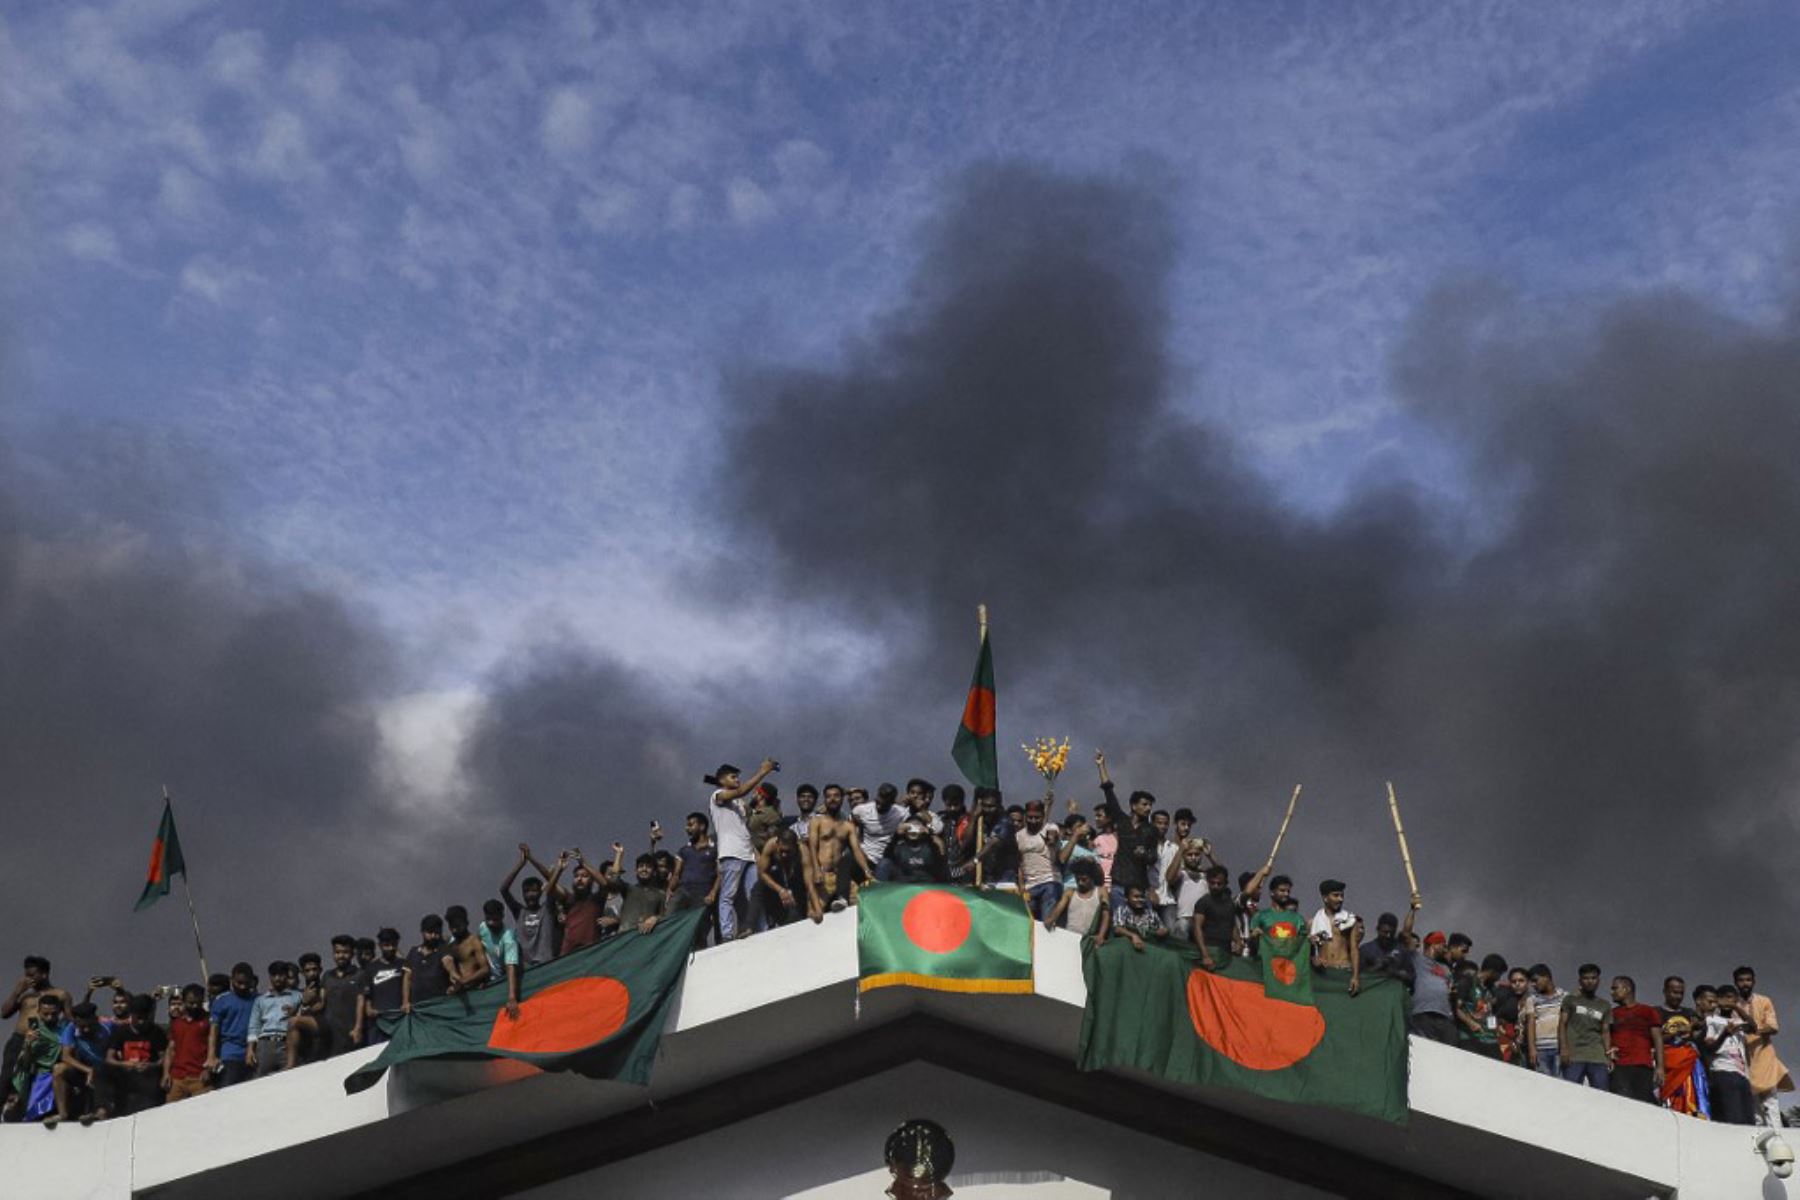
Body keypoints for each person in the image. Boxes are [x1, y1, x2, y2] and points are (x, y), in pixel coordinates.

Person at [709, 759, 780, 941]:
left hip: (748, 855)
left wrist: (757, 856)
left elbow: (745, 832)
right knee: (728, 896)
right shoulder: (717, 796)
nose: (737, 780)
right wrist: (763, 771)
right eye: (733, 777)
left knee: (754, 895)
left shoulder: (739, 805)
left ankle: (762, 930)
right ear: (722, 780)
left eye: (738, 778)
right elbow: (742, 790)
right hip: (731, 854)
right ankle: (727, 934)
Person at [2, 957, 70, 1120]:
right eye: (26, 975)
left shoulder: (60, 994)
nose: (28, 979)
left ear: (44, 974)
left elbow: (69, 1019)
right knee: (7, 1077)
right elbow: (4, 1013)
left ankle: (30, 1112)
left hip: (45, 1042)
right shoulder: (26, 997)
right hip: (20, 1039)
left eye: (32, 975)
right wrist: (17, 991)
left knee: (36, 1078)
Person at [1095, 751, 1159, 909]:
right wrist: (1101, 766)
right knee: (1118, 920)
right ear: (1133, 806)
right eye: (1144, 804)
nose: (1148, 808)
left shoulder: (1151, 830)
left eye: (1150, 805)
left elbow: (1153, 857)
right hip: (1119, 882)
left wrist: (1144, 853)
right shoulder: (1122, 822)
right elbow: (1108, 792)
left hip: (1139, 886)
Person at [1733, 966, 1793, 1127]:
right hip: (1743, 1060)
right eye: (1741, 980)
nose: (1745, 984)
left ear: (1754, 982)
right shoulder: (1733, 1006)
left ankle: (1778, 1139)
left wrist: (1755, 1029)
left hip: (1764, 1057)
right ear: (1735, 983)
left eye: (1748, 980)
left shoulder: (1764, 1001)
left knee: (1771, 1103)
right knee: (1754, 1109)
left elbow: (1773, 1027)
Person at [808, 785, 874, 916]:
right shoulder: (817, 821)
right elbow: (812, 847)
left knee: (857, 909)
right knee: (815, 915)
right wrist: (815, 870)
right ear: (825, 800)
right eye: (829, 796)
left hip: (840, 876)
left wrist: (867, 871)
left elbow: (856, 850)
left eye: (836, 796)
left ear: (842, 799)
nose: (832, 799)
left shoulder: (848, 826)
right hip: (822, 874)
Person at [501, 845, 565, 967]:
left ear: (540, 892)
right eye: (527, 891)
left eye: (534, 891)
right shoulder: (519, 912)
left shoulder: (547, 909)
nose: (530, 895)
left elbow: (551, 887)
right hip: (527, 968)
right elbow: (504, 890)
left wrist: (531, 859)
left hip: (547, 963)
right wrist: (521, 864)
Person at [1702, 984, 1757, 1125]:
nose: (1726, 1001)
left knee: (1748, 1121)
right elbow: (1710, 1048)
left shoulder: (1738, 1022)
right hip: (1723, 1071)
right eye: (1723, 998)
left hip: (1742, 1075)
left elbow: (1753, 1027)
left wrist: (1735, 1007)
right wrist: (1725, 1034)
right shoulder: (1711, 1020)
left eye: (1730, 998)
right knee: (1732, 1119)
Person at [103, 994, 167, 1116]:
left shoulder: (157, 1032)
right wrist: (124, 1064)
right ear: (131, 1015)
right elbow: (109, 1059)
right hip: (126, 1079)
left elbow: (164, 1058)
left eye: (145, 1018)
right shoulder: (121, 1032)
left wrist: (151, 1065)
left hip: (149, 1080)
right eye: (138, 1018)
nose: (141, 1022)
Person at [8, 992, 67, 1122]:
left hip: (61, 1075)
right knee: (34, 1114)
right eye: (46, 1014)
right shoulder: (36, 1032)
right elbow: (25, 1062)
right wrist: (27, 1045)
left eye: (54, 1014)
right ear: (39, 1012)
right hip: (41, 1077)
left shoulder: (63, 1029)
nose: (50, 1017)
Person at [47, 1001, 108, 1127]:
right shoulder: (71, 1029)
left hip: (105, 1071)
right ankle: (63, 1114)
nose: (85, 1029)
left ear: (95, 1019)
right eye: (82, 1026)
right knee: (59, 1069)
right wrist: (88, 1070)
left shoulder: (107, 1028)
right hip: (85, 1069)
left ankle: (99, 1112)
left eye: (88, 1026)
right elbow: (66, 1056)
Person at [1558, 963, 1613, 1090]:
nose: (1590, 982)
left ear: (1598, 980)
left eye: (1593, 978)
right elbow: (1562, 1024)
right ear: (1580, 980)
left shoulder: (1605, 1005)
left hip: (1597, 1056)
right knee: (1571, 1092)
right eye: (1586, 978)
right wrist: (1564, 1049)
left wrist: (1608, 1056)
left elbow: (1605, 1031)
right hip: (1574, 1055)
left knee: (1602, 1095)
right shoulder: (1570, 1000)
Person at [670, 812, 721, 945]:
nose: (687, 828)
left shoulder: (715, 849)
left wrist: (713, 893)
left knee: (699, 928)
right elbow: (676, 873)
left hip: (702, 894)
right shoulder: (684, 850)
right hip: (683, 891)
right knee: (669, 918)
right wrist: (670, 889)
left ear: (702, 826)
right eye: (687, 826)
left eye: (691, 825)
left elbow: (720, 873)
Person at [205, 963, 257, 1088]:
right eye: (239, 983)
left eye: (246, 983)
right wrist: (211, 1056)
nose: (243, 987)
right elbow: (214, 1031)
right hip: (230, 1055)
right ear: (232, 980)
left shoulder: (259, 1000)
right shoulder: (222, 1001)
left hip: (253, 1054)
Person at [246, 961, 300, 1079]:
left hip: (287, 1043)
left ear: (286, 976)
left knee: (289, 1079)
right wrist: (250, 1050)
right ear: (270, 977)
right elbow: (254, 1026)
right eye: (274, 975)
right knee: (260, 1081)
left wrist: (295, 1012)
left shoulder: (297, 996)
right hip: (265, 1044)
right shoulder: (260, 1000)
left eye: (281, 975)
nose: (277, 978)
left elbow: (302, 1017)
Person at [1309, 880, 1361, 996]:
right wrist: (1313, 959)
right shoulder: (1313, 923)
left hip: (1343, 971)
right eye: (1336, 895)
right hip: (1323, 975)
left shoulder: (1349, 921)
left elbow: (1354, 950)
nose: (1340, 899)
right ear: (1325, 898)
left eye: (1342, 895)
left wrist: (1355, 977)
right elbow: (1308, 951)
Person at [1013, 801, 1063, 919]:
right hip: (1030, 885)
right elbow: (1019, 864)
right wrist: (1021, 887)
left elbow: (1053, 835)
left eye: (1037, 817)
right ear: (1025, 816)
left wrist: (1051, 840)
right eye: (1030, 817)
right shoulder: (1019, 836)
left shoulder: (1050, 827)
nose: (1033, 821)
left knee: (1047, 919)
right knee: (1027, 919)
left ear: (1043, 816)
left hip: (1050, 881)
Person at [359, 929, 411, 1041]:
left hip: (399, 1019)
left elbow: (408, 985)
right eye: (387, 945)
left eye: (393, 945)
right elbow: (367, 993)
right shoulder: (371, 968)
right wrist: (369, 1009)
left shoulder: (403, 965)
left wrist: (405, 1003)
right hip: (378, 1022)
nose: (391, 948)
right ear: (380, 945)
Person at [1406, 930, 1457, 1044]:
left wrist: (1452, 993)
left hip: (1445, 1015)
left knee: (1450, 1051)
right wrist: (1412, 912)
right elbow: (1406, 934)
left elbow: (1450, 987)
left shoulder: (1445, 968)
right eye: (1443, 945)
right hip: (1423, 1012)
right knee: (1424, 1048)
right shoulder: (1417, 959)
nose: (1445, 949)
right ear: (1434, 944)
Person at [162, 984, 210, 1103]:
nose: (194, 1006)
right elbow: (171, 1050)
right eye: (191, 1003)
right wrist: (166, 1074)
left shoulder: (207, 1021)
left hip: (199, 1077)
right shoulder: (176, 1023)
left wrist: (208, 1069)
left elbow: (213, 1046)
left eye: (197, 1003)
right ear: (183, 1001)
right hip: (177, 1078)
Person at [554, 854, 608, 954]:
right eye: (576, 876)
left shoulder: (596, 900)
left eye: (584, 876)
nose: (579, 879)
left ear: (592, 880)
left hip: (590, 953)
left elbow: (604, 883)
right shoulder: (569, 900)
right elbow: (551, 888)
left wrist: (582, 862)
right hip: (567, 955)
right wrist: (559, 869)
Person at [756, 830, 813, 926]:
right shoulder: (770, 846)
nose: (784, 854)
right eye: (781, 851)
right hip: (775, 877)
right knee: (758, 888)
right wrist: (780, 890)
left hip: (795, 878)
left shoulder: (803, 852)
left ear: (795, 847)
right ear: (777, 844)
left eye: (788, 851)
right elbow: (762, 873)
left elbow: (809, 883)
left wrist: (811, 907)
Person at [1453, 955, 1504, 1059]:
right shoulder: (1468, 982)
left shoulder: (1492, 989)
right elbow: (1456, 1008)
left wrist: (1495, 1029)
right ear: (1492, 971)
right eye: (1499, 974)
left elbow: (1490, 1012)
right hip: (1470, 1037)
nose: (1499, 978)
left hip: (1490, 1039)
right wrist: (1470, 1022)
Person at [1520, 964, 1567, 1076]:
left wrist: (1565, 1048)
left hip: (1559, 1048)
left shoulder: (1565, 997)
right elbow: (1531, 1024)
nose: (1533, 984)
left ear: (1546, 977)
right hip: (1541, 1049)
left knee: (1560, 1083)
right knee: (1543, 1083)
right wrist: (1532, 1049)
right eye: (1531, 981)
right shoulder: (1532, 1000)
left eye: (1535, 980)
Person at [1043, 859, 1109, 937]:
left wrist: (1101, 936)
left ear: (1092, 878)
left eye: (1084, 879)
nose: (1080, 883)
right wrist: (1052, 918)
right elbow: (1059, 908)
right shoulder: (1069, 893)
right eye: (1077, 879)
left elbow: (1106, 915)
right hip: (1070, 936)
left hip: (1088, 939)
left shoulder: (1101, 892)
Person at [1191, 865, 1239, 972]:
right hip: (1210, 950)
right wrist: (1205, 955)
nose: (1215, 886)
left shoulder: (1230, 903)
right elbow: (1197, 928)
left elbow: (1232, 925)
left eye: (1219, 883)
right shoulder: (1203, 902)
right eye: (1212, 883)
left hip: (1226, 952)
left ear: (1225, 883)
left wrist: (1239, 942)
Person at [858, 783, 908, 881]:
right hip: (866, 857)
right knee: (847, 858)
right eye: (879, 796)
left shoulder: (901, 814)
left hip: (886, 858)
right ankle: (842, 895)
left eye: (885, 798)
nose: (880, 800)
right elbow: (852, 823)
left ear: (892, 802)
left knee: (884, 864)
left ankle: (878, 894)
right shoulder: (862, 810)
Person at [441, 906, 492, 997]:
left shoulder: (474, 942)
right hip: (460, 994)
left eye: (457, 926)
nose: (454, 930)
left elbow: (485, 969)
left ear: (465, 922)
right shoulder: (451, 945)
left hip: (475, 992)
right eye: (451, 927)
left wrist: (465, 981)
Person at [614, 854, 668, 937]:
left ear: (654, 871)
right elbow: (615, 880)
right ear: (636, 870)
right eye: (641, 866)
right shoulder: (629, 889)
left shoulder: (660, 894)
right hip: (623, 937)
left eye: (648, 867)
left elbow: (665, 916)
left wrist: (655, 918)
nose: (644, 869)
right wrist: (619, 854)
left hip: (645, 939)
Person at [1359, 910, 1417, 987]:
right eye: (1385, 932)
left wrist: (1395, 973)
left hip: (1394, 993)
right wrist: (1378, 967)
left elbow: (1411, 977)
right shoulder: (1366, 950)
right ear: (1378, 929)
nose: (1388, 936)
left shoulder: (1402, 951)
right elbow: (1359, 976)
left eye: (1391, 933)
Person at [405, 914, 452, 1009]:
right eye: (430, 932)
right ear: (422, 932)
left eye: (437, 933)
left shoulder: (445, 951)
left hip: (439, 1007)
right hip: (417, 1008)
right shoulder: (413, 952)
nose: (433, 936)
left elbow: (452, 971)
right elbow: (407, 978)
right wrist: (405, 1001)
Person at [478, 901, 523, 999]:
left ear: (502, 916)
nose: (491, 923)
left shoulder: (509, 938)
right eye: (488, 919)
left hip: (504, 981)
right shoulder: (483, 927)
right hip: (488, 982)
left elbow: (511, 967)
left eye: (495, 919)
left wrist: (512, 997)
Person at [1104, 885, 1165, 951]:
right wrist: (1133, 936)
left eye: (1142, 897)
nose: (1140, 900)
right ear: (1126, 898)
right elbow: (1118, 929)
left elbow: (1162, 927)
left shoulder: (1151, 913)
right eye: (1136, 897)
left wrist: (1163, 931)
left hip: (1149, 948)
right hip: (1127, 948)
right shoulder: (1122, 911)